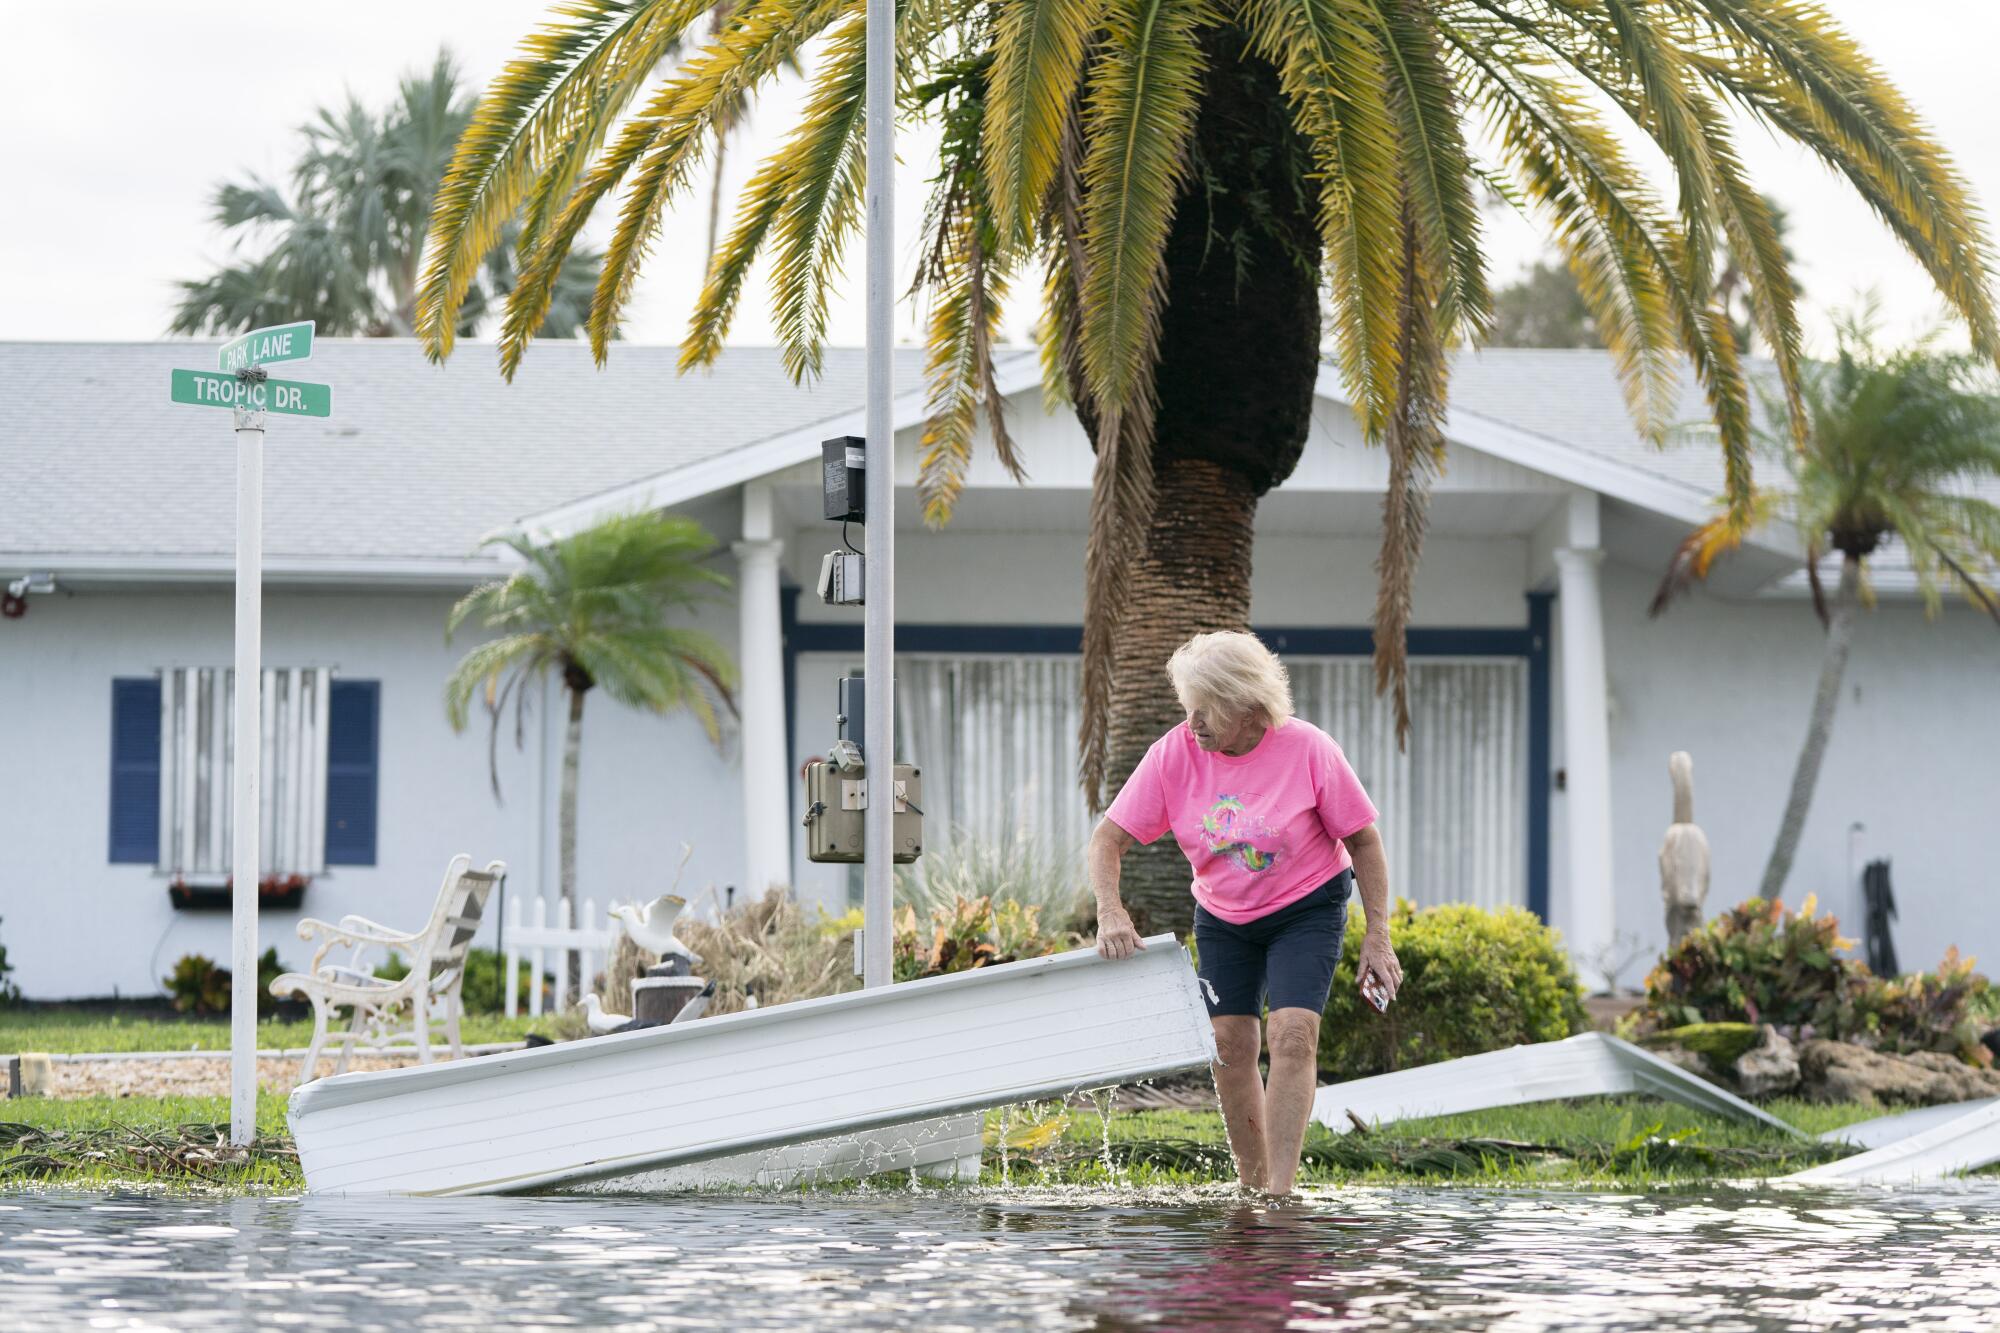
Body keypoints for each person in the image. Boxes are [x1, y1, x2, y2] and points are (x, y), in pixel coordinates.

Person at [1090, 630, 1401, 1195]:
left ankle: (1280, 1195)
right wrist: (1110, 910)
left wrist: (1377, 936)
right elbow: (1107, 840)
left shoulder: (1308, 749)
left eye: (1205, 709)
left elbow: (1365, 843)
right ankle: (1252, 1187)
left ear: (1248, 705)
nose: (1193, 723)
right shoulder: (1173, 754)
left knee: (1293, 1035)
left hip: (1307, 907)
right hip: (1224, 915)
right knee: (1230, 1046)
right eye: (1188, 708)